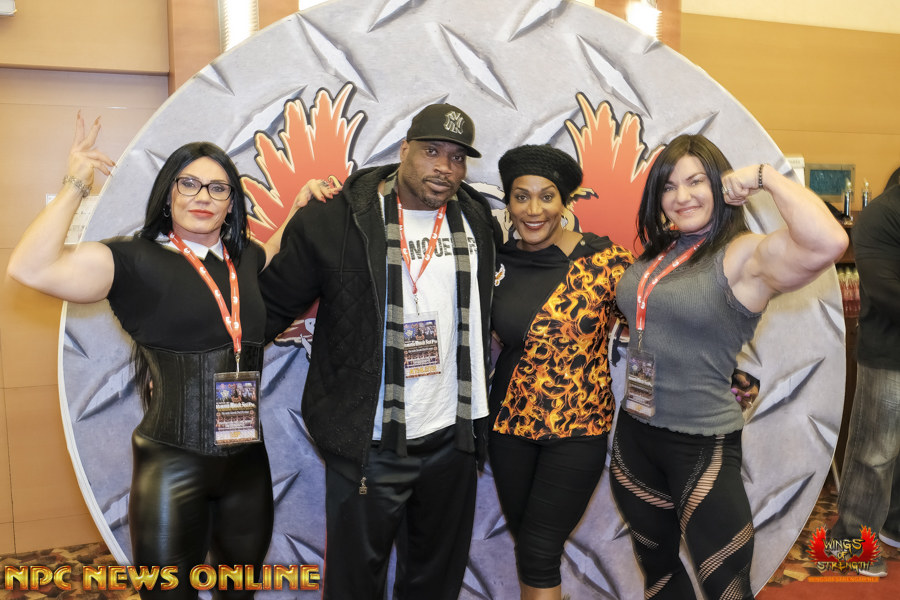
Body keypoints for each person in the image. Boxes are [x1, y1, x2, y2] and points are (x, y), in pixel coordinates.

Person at [6, 113, 323, 599]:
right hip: (173, 468)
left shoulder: (244, 259)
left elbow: (272, 252)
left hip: (247, 466)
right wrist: (75, 183)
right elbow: (30, 267)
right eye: (189, 183)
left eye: (218, 188)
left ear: (231, 203)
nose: (202, 196)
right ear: (169, 193)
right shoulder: (132, 261)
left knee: (238, 591)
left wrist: (301, 206)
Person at [260, 103, 499, 599]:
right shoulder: (338, 218)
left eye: (457, 158)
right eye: (432, 151)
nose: (444, 167)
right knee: (354, 584)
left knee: (434, 582)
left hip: (452, 436)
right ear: (404, 149)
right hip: (369, 440)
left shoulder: (476, 217)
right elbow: (270, 307)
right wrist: (198, 358)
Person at [609, 134, 848, 599]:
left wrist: (765, 177)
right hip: (635, 436)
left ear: (720, 185)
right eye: (669, 186)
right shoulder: (664, 250)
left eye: (696, 181)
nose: (681, 196)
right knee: (659, 575)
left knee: (726, 589)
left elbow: (829, 241)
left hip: (700, 447)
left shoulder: (741, 255)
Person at [488, 145, 633, 599]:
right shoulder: (496, 261)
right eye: (521, 196)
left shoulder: (604, 261)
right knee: (531, 547)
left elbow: (660, 316)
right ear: (508, 204)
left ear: (565, 203)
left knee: (537, 549)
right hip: (508, 427)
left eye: (546, 196)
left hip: (578, 427)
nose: (533, 210)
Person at [831, 171, 900, 577]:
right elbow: (889, 291)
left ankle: (893, 524)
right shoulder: (882, 214)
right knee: (875, 453)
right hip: (889, 355)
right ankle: (849, 540)